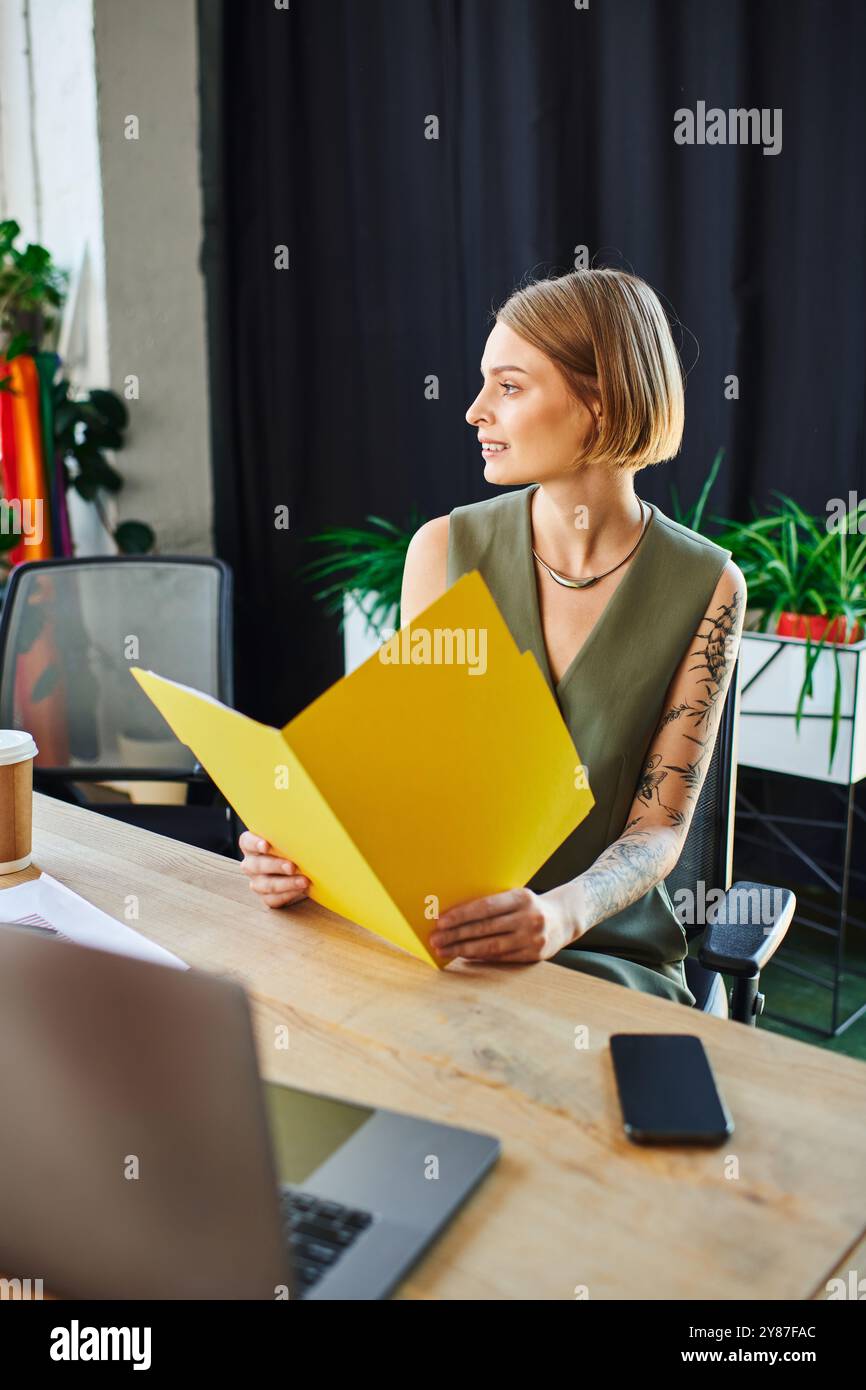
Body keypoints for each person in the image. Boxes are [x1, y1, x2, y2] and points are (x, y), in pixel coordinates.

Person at [239, 268, 745, 1006]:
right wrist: (298, 847)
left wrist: (558, 915)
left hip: (602, 952)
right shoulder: (440, 551)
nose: (475, 411)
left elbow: (659, 832)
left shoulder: (710, 587)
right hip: (441, 932)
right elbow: (405, 771)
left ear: (599, 401)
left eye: (509, 387)